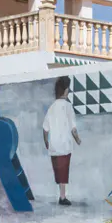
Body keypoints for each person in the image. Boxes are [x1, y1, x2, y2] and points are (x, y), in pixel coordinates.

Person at [42, 75, 81, 206]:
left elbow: (45, 128)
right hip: (64, 145)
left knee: (58, 172)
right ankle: (63, 197)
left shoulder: (52, 107)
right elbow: (73, 129)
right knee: (64, 171)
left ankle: (61, 195)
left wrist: (46, 142)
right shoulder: (68, 106)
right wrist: (78, 140)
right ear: (66, 90)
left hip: (54, 146)